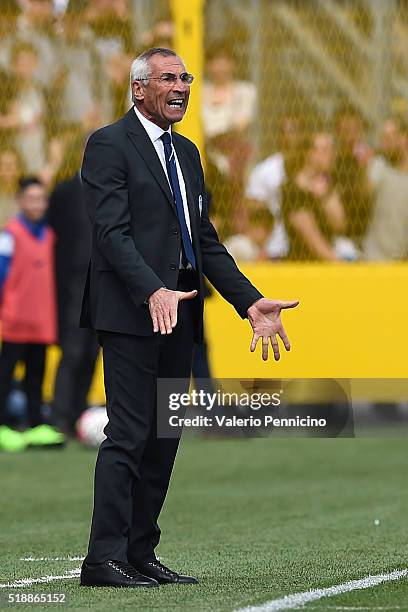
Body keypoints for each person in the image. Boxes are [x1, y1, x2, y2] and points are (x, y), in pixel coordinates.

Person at [79, 47, 298, 589]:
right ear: (138, 89)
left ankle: (139, 551)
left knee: (165, 435)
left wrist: (250, 302)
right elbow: (111, 234)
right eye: (167, 78)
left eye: (186, 78)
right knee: (129, 433)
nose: (181, 86)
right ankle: (102, 559)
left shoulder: (189, 154)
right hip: (133, 312)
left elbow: (204, 242)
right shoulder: (108, 145)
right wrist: (150, 287)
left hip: (181, 309)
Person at [0, 177, 65, 452]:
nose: (37, 204)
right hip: (15, 321)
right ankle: (3, 425)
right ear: (21, 200)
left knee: (36, 376)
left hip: (41, 321)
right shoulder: (9, 235)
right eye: (31, 198)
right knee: (5, 375)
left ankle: (37, 425)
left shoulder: (50, 236)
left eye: (41, 199)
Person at [48, 149, 99, 438]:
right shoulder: (65, 193)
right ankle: (60, 416)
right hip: (73, 284)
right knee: (74, 350)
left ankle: (79, 413)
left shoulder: (113, 188)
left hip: (104, 282)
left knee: (93, 350)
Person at [245, 114, 304, 259]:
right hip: (275, 246)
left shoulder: (311, 169)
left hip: (305, 246)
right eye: (286, 131)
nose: (290, 137)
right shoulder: (265, 170)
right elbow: (254, 212)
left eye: (295, 131)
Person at [282, 132, 345, 261]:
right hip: (303, 266)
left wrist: (325, 197)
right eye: (325, 150)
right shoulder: (293, 190)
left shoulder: (327, 185)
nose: (331, 155)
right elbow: (313, 240)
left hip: (325, 262)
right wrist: (341, 267)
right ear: (310, 154)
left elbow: (340, 224)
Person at [363, 121, 408, 260]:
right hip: (375, 257)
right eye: (383, 139)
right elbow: (365, 192)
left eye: (389, 138)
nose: (385, 144)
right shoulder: (379, 165)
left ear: (404, 138)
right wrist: (364, 166)